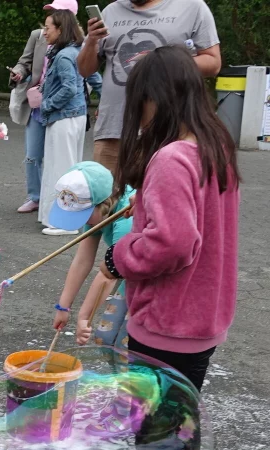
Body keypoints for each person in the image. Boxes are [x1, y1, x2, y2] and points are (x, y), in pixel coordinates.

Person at [100, 46, 240, 395]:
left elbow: (171, 244)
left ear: (152, 98)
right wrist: (148, 198)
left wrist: (116, 258)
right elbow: (200, 208)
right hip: (202, 318)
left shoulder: (171, 158)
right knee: (178, 426)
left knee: (156, 433)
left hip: (168, 323)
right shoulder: (215, 144)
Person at [77, 0, 221, 174]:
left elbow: (213, 62)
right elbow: (84, 70)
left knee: (163, 196)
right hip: (112, 132)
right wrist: (92, 40)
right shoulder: (110, 11)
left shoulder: (192, 7)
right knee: (106, 199)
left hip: (168, 133)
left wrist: (160, 62)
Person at [49, 161, 136, 436]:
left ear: (104, 205)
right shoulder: (104, 211)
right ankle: (125, 399)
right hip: (126, 277)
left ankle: (132, 408)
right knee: (105, 337)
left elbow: (108, 275)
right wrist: (64, 306)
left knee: (126, 343)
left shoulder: (125, 219)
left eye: (85, 214)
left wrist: (84, 317)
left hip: (145, 284)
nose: (83, 222)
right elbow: (83, 259)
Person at [9, 0, 76, 214]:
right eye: (50, 11)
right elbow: (25, 62)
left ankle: (61, 200)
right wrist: (19, 72)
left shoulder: (77, 44)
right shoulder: (37, 36)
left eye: (55, 12)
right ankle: (35, 197)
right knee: (33, 154)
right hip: (37, 103)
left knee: (60, 156)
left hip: (62, 107)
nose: (49, 16)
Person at [38, 9, 88, 236]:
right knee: (69, 166)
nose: (44, 32)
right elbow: (93, 78)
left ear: (60, 29)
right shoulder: (77, 51)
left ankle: (66, 222)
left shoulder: (64, 55)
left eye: (48, 28)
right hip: (75, 116)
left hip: (64, 117)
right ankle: (62, 218)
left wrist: (46, 105)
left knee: (62, 169)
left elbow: (69, 87)